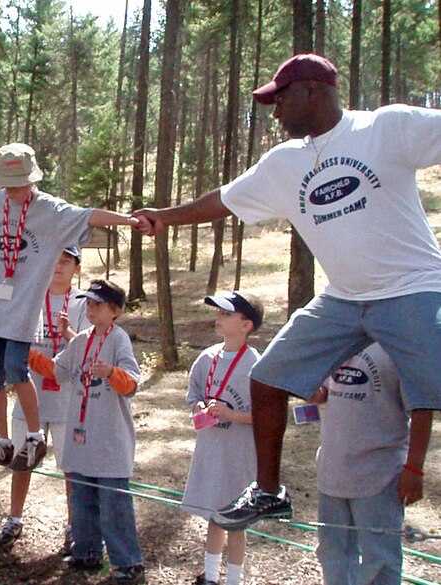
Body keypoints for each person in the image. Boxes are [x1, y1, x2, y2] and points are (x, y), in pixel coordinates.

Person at [133, 53, 441, 530]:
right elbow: (224, 200)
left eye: (280, 99)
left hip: (413, 289)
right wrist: (165, 216)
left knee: (431, 389)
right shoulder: (285, 164)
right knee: (268, 377)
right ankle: (269, 491)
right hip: (343, 299)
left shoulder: (386, 128)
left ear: (311, 91)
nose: (274, 112)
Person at [0, 143, 141, 473]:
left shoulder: (50, 210)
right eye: (8, 183)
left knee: (16, 370)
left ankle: (34, 437)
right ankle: (3, 440)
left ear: (32, 179)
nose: (14, 190)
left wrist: (130, 221)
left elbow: (90, 215)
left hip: (22, 308)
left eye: (19, 182)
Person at [29, 279, 145, 585]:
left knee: (113, 504)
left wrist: (112, 373)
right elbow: (58, 370)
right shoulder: (79, 340)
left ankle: (127, 561)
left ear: (115, 310)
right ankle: (87, 552)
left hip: (110, 438)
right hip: (80, 436)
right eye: (88, 304)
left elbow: (132, 383)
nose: (91, 310)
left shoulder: (119, 340)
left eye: (98, 305)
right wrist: (26, 354)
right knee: (81, 498)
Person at [0, 247, 89, 554]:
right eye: (54, 259)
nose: (58, 266)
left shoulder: (85, 303)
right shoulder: (30, 295)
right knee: (22, 463)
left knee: (71, 468)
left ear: (77, 267)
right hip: (30, 397)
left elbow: (89, 350)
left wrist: (67, 335)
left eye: (66, 261)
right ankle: (14, 518)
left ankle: (74, 525)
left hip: (68, 401)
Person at [311, 343, 432, 585]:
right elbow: (321, 392)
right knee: (332, 552)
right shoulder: (340, 338)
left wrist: (414, 469)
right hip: (334, 470)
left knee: (379, 558)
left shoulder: (398, 344)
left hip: (380, 474)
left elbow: (422, 410)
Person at [182, 292, 263, 585]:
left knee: (236, 520)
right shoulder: (207, 358)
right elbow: (193, 395)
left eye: (227, 314)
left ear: (247, 326)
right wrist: (199, 408)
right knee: (214, 516)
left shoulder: (256, 365)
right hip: (211, 451)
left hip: (238, 454)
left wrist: (231, 414)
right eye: (219, 313)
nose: (219, 318)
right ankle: (212, 577)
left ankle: (234, 579)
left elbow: (265, 416)